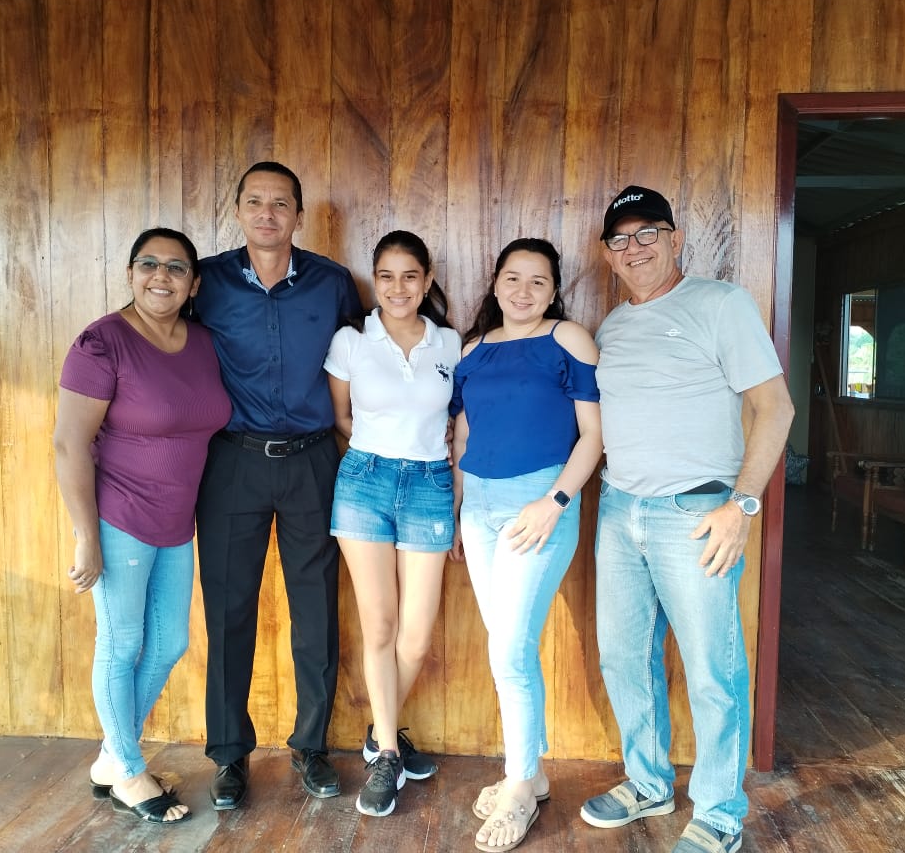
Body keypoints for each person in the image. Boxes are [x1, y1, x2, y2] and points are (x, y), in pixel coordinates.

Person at [580, 186, 794, 853]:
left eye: (648, 232)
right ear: (608, 255)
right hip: (619, 509)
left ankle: (720, 812)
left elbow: (777, 408)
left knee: (711, 668)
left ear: (675, 240)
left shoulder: (721, 304)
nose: (634, 248)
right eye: (620, 239)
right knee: (624, 658)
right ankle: (648, 783)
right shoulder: (611, 327)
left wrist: (742, 505)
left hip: (697, 512)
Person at [193, 161, 363, 809]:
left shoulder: (332, 283)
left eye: (281, 203)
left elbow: (361, 356)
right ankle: (229, 754)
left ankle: (311, 745)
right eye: (255, 202)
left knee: (315, 608)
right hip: (232, 462)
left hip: (312, 460)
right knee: (228, 608)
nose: (267, 213)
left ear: (298, 214)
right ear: (238, 210)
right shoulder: (206, 280)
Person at [53, 228, 232, 825]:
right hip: (119, 516)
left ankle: (113, 757)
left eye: (176, 268)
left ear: (194, 283)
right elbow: (69, 444)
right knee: (122, 642)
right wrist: (86, 536)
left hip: (177, 521)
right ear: (130, 273)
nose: (161, 276)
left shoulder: (203, 342)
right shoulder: (101, 343)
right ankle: (129, 771)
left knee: (169, 642)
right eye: (148, 264)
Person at [451, 238, 603, 852]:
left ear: (554, 290)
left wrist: (554, 501)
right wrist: (458, 506)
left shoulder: (569, 339)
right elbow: (463, 432)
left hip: (539, 502)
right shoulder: (472, 349)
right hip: (479, 506)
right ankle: (531, 774)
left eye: (538, 281)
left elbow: (593, 435)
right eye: (513, 278)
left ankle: (518, 784)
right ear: (495, 283)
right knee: (506, 645)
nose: (523, 291)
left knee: (511, 649)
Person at [323, 230, 461, 817]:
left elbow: (459, 422)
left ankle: (381, 732)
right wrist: (382, 452)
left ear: (427, 281)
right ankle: (387, 754)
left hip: (430, 485)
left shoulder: (450, 342)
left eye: (410, 276)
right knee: (378, 625)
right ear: (374, 281)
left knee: (416, 636)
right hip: (364, 482)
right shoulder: (351, 340)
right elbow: (341, 417)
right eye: (386, 276)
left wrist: (453, 491)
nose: (398, 287)